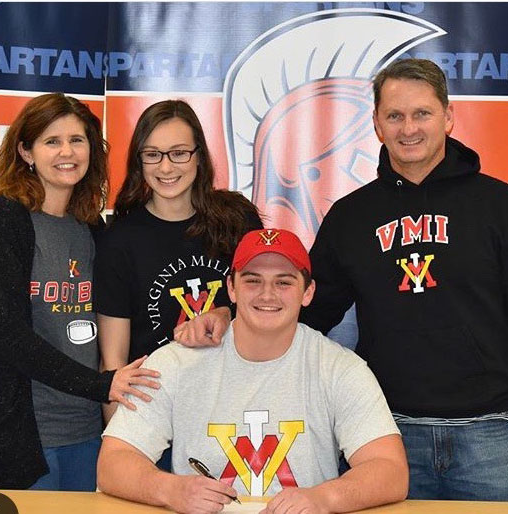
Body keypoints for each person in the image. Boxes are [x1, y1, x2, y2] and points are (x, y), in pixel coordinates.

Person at [174, 58, 508, 501]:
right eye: (394, 115)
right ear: (376, 123)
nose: (408, 128)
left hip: (492, 434)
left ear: (447, 117)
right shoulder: (352, 216)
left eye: (422, 113)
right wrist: (228, 314)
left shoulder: (496, 204)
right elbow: (305, 307)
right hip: (384, 435)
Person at [97, 228, 408, 514]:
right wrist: (171, 489)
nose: (267, 294)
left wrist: (324, 497)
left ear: (308, 291)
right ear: (231, 288)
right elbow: (113, 463)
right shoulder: (174, 364)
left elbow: (390, 471)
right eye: (252, 280)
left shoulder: (340, 368)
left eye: (284, 282)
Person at [0, 93, 160, 490]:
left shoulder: (93, 229)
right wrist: (101, 385)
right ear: (25, 151)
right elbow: (8, 335)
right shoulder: (6, 219)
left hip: (89, 433)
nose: (67, 151)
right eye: (52, 141)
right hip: (26, 439)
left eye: (77, 140)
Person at [93, 99, 262, 427]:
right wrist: (117, 448)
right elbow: (114, 363)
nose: (166, 168)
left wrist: (226, 312)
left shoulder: (237, 220)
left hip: (236, 412)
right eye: (153, 154)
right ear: (139, 161)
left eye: (179, 152)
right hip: (155, 416)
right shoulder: (120, 240)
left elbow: (272, 310)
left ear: (199, 155)